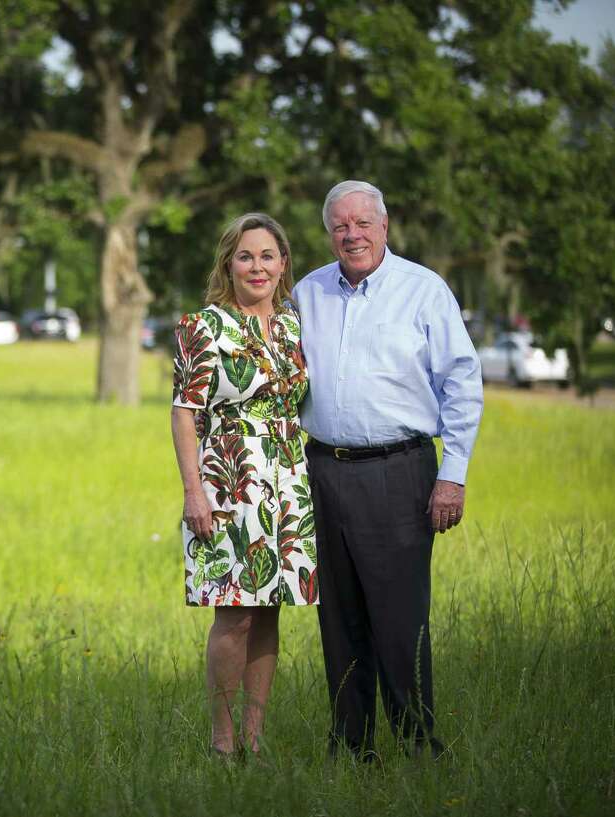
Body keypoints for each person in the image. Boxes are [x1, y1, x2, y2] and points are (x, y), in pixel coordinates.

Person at [293, 180, 483, 760]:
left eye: (362, 223)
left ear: (385, 225)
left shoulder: (423, 291)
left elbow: (462, 383)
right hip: (323, 473)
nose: (351, 235)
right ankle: (350, 747)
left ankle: (418, 746)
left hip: (399, 473)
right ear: (329, 234)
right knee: (339, 618)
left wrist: (452, 474)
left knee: (400, 620)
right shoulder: (307, 293)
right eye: (339, 226)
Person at [171, 213, 318, 758]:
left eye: (268, 256)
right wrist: (193, 492)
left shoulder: (293, 327)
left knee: (271, 607)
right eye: (246, 256)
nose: (258, 266)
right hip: (229, 480)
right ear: (228, 265)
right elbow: (184, 413)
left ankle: (255, 738)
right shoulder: (203, 326)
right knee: (234, 611)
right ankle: (222, 739)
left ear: (283, 266)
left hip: (288, 482)